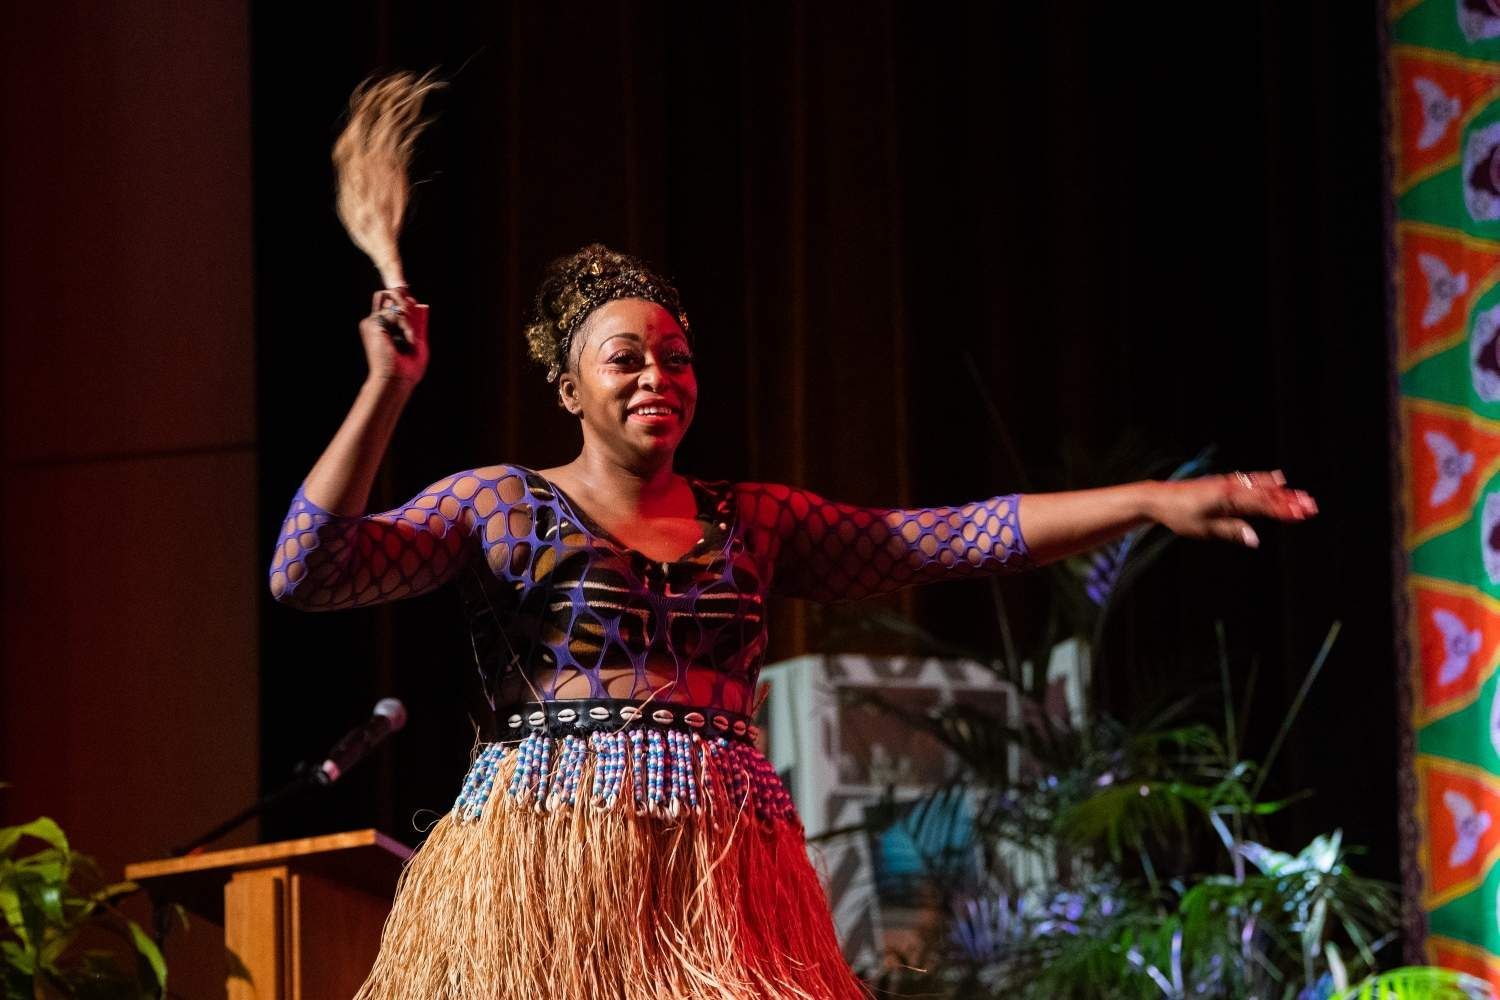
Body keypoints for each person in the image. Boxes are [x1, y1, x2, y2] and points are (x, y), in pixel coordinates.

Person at [268, 244, 1318, 1000]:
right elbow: (307, 574)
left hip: (728, 873)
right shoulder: (501, 504)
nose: (657, 378)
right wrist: (386, 389)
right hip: (539, 869)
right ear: (567, 387)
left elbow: (950, 537)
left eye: (676, 358)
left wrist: (1152, 501)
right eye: (625, 357)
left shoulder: (754, 521)